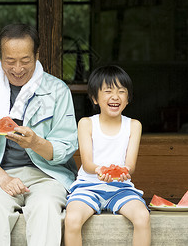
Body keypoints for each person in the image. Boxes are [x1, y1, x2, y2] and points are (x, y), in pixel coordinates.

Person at [0, 23, 79, 246]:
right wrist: (3, 179)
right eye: (10, 61)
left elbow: (65, 148)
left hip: (48, 175)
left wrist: (36, 142)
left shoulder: (58, 90)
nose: (18, 68)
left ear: (37, 55)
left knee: (46, 208)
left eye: (25, 60)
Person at [64, 65, 151, 246]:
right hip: (88, 187)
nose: (115, 96)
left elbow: (130, 165)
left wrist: (124, 171)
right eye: (108, 91)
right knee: (72, 220)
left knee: (142, 217)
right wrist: (101, 170)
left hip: (121, 188)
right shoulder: (86, 123)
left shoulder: (134, 125)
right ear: (95, 98)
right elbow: (88, 163)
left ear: (128, 99)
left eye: (121, 91)